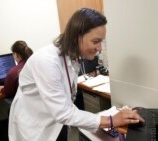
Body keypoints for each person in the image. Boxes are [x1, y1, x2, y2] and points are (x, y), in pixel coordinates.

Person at [8, 8, 144, 141]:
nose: (99, 48)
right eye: (96, 41)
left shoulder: (72, 57)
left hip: (56, 122)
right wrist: (111, 120)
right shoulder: (47, 61)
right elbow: (62, 112)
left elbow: (64, 107)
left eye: (101, 42)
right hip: (35, 130)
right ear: (76, 37)